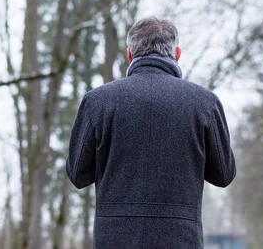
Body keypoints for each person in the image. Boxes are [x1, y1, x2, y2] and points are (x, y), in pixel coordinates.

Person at [66, 16, 236, 248]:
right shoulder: (205, 104)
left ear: (129, 54)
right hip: (180, 239)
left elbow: (77, 174)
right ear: (177, 54)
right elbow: (223, 174)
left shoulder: (97, 102)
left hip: (114, 240)